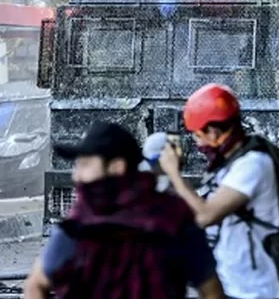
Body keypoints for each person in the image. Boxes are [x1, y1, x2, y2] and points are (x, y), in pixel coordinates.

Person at [23, 122, 223, 299]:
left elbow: (211, 290)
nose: (77, 176)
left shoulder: (174, 220)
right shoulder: (77, 226)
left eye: (85, 165)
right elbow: (35, 286)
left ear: (117, 167)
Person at [159, 83, 279, 299]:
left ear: (213, 132)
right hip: (231, 286)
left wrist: (174, 174)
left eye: (198, 136)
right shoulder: (227, 168)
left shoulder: (253, 164)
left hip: (256, 291)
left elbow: (205, 215)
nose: (197, 143)